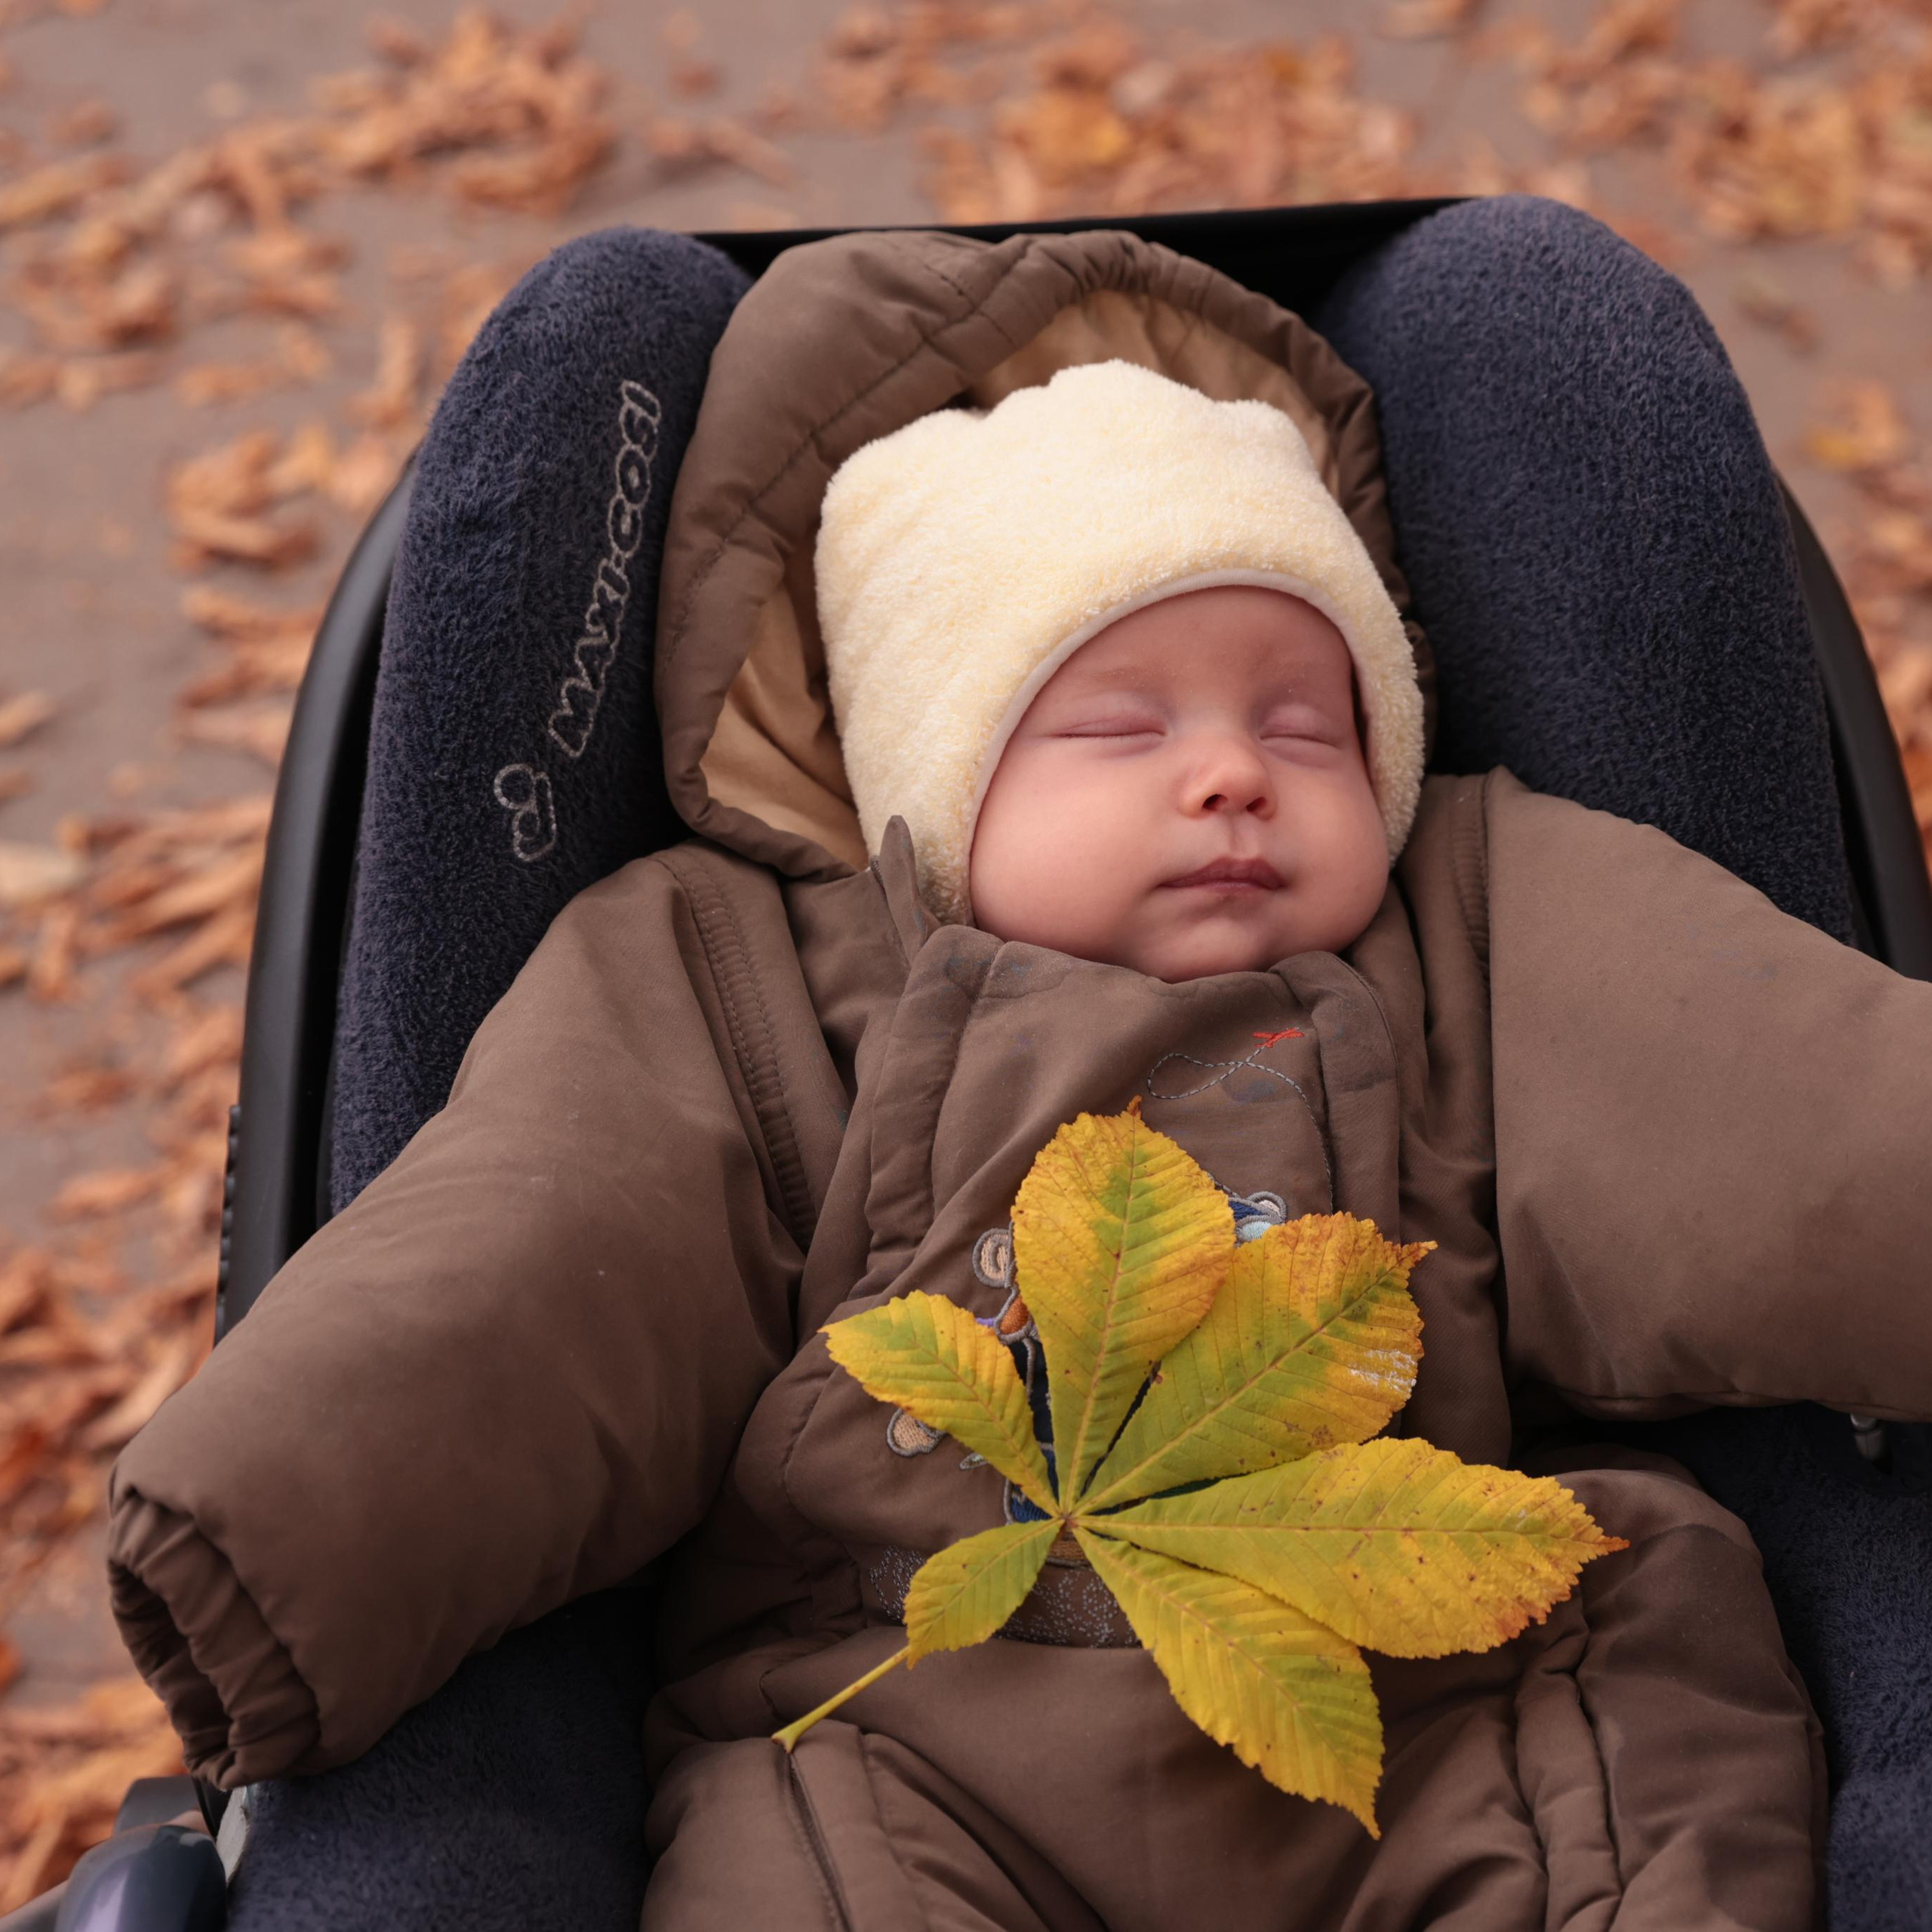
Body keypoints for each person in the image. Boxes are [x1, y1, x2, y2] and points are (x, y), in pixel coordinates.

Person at [105, 222, 1932, 1931]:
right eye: (1121, 724)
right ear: (925, 772)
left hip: (1442, 1688)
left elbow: (1774, 1108)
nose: (1231, 773)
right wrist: (270, 1537)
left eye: (1304, 720)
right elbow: (536, 1245)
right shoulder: (751, 984)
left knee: (1643, 1767)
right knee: (789, 1863)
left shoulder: (1478, 922)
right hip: (906, 1718)